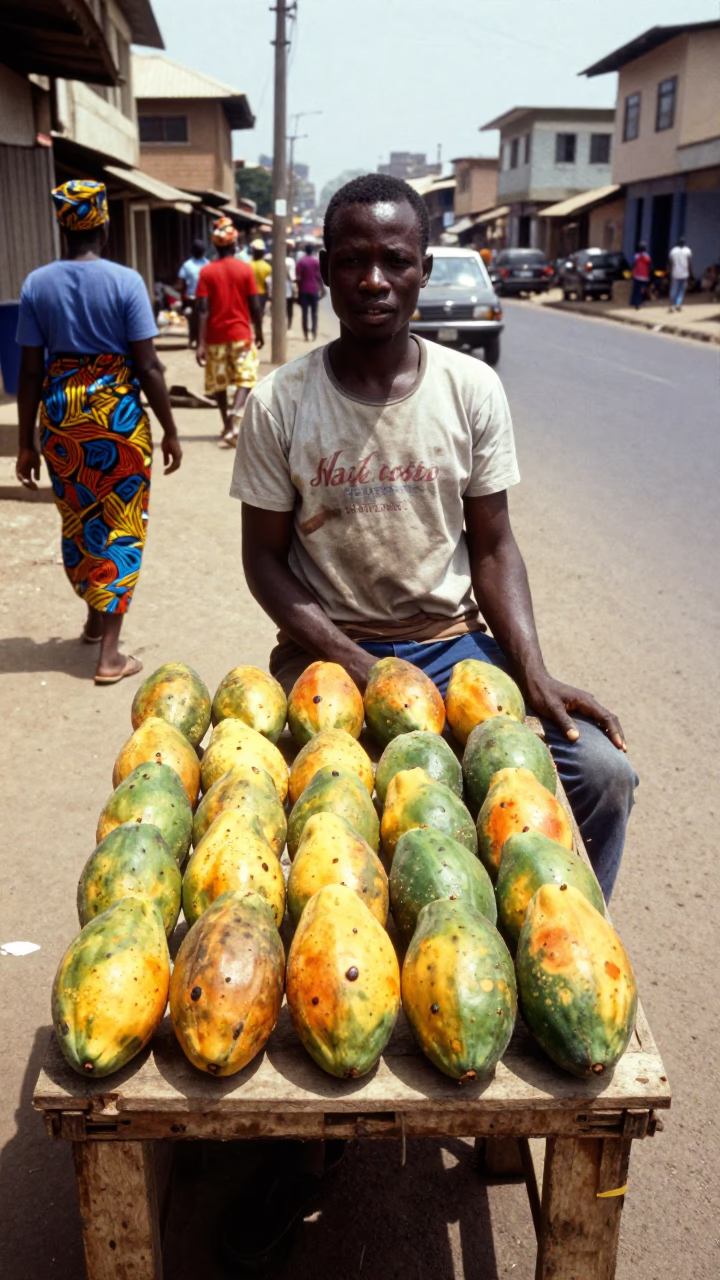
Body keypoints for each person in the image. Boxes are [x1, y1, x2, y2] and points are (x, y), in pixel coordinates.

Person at [228, 171, 637, 1263]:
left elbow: (493, 543)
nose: (371, 279)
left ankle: (521, 969)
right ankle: (306, 1081)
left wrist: (535, 673)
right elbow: (266, 565)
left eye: (393, 259)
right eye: (349, 257)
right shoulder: (282, 401)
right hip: (325, 651)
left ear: (424, 266)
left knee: (599, 775)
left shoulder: (468, 391)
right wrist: (357, 662)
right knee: (311, 839)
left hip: (455, 644)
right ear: (318, 262)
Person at [14, 180, 182, 684]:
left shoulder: (36, 284)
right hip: (118, 422)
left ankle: (92, 616)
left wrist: (25, 442)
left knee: (80, 518)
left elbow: (27, 372)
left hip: (62, 420)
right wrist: (170, 429)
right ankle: (109, 655)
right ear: (104, 226)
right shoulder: (126, 282)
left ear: (63, 225)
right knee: (122, 524)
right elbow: (149, 367)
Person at [195, 216, 263, 448]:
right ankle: (234, 418)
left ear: (215, 245)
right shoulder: (245, 270)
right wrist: (260, 330)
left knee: (220, 384)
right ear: (234, 245)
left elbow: (202, 310)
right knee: (246, 377)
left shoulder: (206, 272)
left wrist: (200, 343)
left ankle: (227, 424)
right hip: (241, 336)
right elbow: (255, 306)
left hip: (215, 337)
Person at [176, 238, 209, 346]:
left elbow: (181, 283)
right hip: (201, 298)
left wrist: (182, 298)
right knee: (201, 319)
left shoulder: (187, 265)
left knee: (193, 320)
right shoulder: (208, 264)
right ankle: (198, 340)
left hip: (193, 297)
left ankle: (194, 339)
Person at [295, 241, 322, 340]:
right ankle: (314, 333)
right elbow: (319, 277)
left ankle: (306, 334)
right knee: (314, 313)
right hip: (314, 290)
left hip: (303, 291)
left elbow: (298, 278)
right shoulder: (316, 262)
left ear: (305, 251)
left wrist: (297, 290)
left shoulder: (301, 262)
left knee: (304, 314)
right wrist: (322, 289)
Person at [249, 237, 272, 344]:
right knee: (260, 316)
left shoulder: (248, 266)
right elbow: (268, 285)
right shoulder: (267, 267)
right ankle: (258, 333)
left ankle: (253, 335)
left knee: (251, 317)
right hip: (262, 295)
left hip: (250, 295)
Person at [667, 235, 693, 312]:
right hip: (684, 273)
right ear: (684, 244)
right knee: (681, 290)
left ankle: (672, 304)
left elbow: (670, 263)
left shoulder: (673, 251)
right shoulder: (687, 251)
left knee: (674, 289)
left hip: (675, 273)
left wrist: (669, 271)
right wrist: (691, 273)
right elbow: (689, 263)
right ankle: (678, 305)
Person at [630, 240, 652, 309]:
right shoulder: (646, 256)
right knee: (642, 290)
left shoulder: (636, 256)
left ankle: (635, 302)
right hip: (644, 276)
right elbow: (649, 265)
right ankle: (640, 302)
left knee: (636, 290)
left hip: (637, 275)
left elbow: (634, 265)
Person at [285, 241, 297, 330]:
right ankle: (289, 323)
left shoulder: (277, 259)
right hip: (289, 286)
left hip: (280, 289)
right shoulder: (291, 261)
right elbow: (293, 276)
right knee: (290, 307)